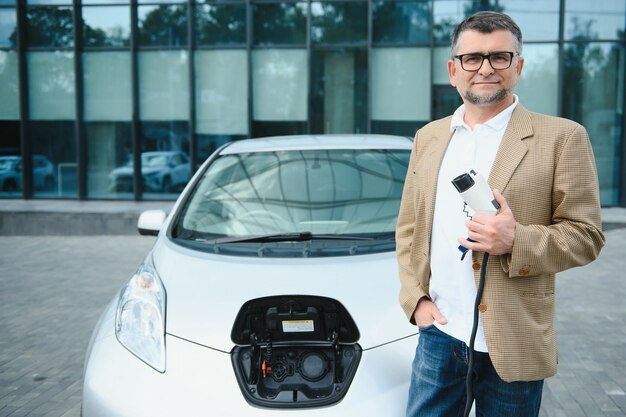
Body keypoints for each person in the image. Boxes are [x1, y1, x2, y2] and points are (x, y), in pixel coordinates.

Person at [395, 11, 605, 417]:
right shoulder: (429, 136)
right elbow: (409, 227)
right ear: (453, 70)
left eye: (500, 57)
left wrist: (516, 240)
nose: (486, 68)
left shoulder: (563, 137)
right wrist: (415, 298)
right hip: (439, 332)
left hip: (514, 337)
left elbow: (587, 236)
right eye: (473, 58)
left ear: (519, 66)